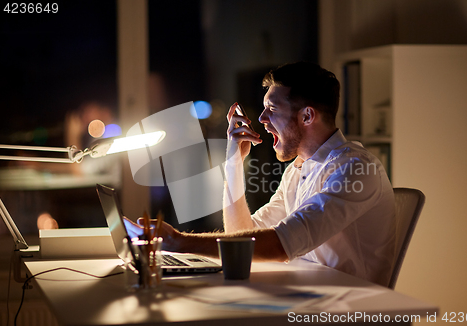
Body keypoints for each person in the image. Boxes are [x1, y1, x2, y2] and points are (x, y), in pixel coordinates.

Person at [126, 62, 396, 286]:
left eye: (273, 109)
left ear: (307, 116)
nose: (263, 119)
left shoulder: (356, 170)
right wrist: (233, 163)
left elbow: (279, 246)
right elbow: (243, 236)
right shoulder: (298, 169)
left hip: (351, 309)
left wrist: (181, 242)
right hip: (309, 296)